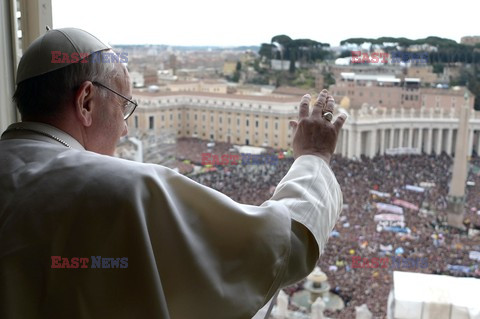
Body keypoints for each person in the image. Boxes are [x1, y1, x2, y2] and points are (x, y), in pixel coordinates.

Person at [0, 27, 347, 319]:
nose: (123, 129)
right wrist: (314, 157)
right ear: (86, 101)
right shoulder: (125, 189)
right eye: (123, 107)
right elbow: (282, 247)